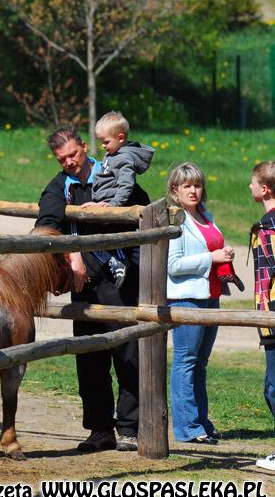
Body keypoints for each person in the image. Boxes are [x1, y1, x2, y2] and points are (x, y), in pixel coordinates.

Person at [36, 125, 149, 453]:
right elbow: (46, 225)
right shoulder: (60, 187)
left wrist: (108, 211)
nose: (69, 162)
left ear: (85, 146)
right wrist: (72, 255)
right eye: (62, 159)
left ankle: (130, 428)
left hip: (121, 279)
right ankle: (100, 430)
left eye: (73, 154)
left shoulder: (114, 171)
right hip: (83, 285)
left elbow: (141, 211)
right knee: (90, 358)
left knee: (128, 354)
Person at [166, 162, 235, 445]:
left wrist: (224, 251)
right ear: (175, 191)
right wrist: (212, 258)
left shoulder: (205, 216)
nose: (193, 191)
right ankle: (187, 428)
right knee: (186, 361)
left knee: (200, 363)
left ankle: (202, 422)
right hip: (187, 299)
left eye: (197, 185)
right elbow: (173, 265)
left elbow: (211, 246)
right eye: (187, 186)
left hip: (211, 297)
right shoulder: (176, 220)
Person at [81, 111, 154, 288]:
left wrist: (113, 205)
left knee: (92, 237)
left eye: (106, 142)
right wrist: (97, 202)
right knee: (89, 236)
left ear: (120, 138)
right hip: (104, 203)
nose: (103, 146)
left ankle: (118, 260)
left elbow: (125, 186)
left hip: (112, 206)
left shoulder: (124, 158)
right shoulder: (112, 155)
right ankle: (115, 261)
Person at [249, 161, 275, 470]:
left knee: (273, 387)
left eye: (253, 183)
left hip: (272, 316)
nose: (250, 188)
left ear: (264, 189)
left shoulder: (269, 227)